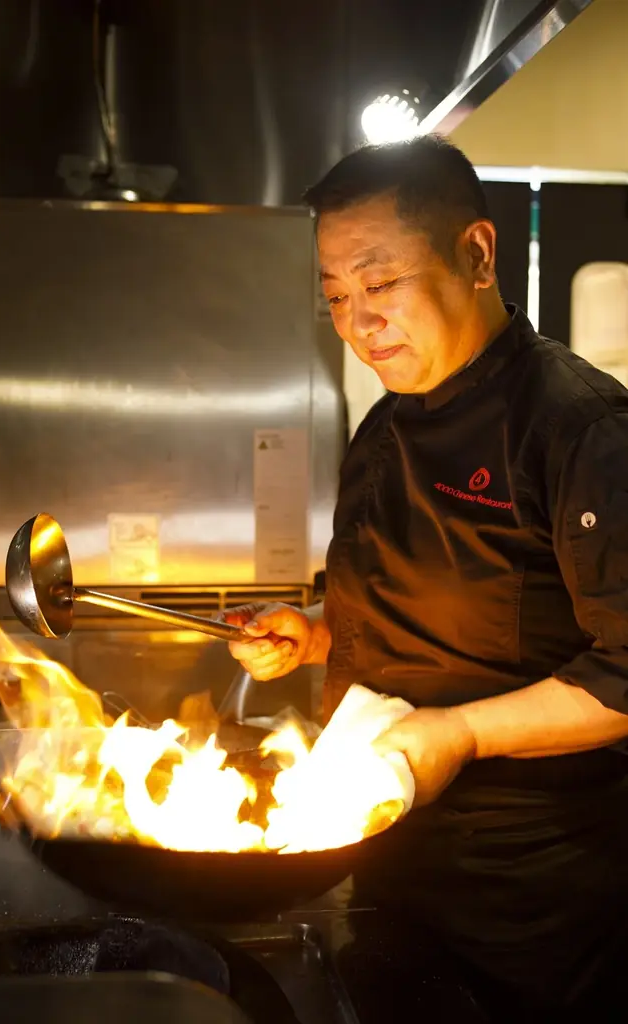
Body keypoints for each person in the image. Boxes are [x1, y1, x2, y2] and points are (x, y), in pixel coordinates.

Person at [225, 136, 628, 1019]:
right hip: (388, 865)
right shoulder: (386, 427)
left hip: (535, 908)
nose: (356, 322)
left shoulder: (578, 428)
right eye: (335, 295)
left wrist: (462, 735)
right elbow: (429, 613)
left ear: (476, 255)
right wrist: (317, 634)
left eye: (379, 284)